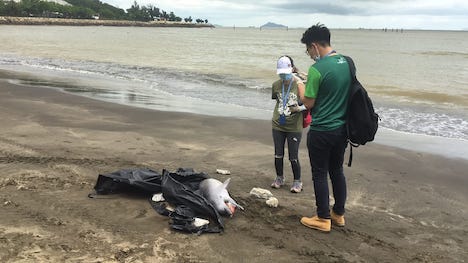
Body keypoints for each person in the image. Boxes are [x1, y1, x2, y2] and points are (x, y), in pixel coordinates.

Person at [298, 24, 351, 232]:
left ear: (314, 46)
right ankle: (338, 214)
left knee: (319, 173)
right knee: (337, 171)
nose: (310, 55)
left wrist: (300, 83)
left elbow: (308, 103)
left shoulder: (317, 69)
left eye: (308, 50)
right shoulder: (347, 62)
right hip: (342, 129)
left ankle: (322, 218)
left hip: (321, 130)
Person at [271, 55, 307, 193]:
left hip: (294, 126)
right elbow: (277, 99)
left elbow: (308, 103)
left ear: (291, 70)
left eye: (286, 74)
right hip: (278, 124)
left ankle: (297, 181)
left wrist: (300, 108)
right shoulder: (276, 85)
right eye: (281, 74)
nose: (283, 77)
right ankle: (279, 177)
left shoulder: (299, 85)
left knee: (293, 156)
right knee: (278, 154)